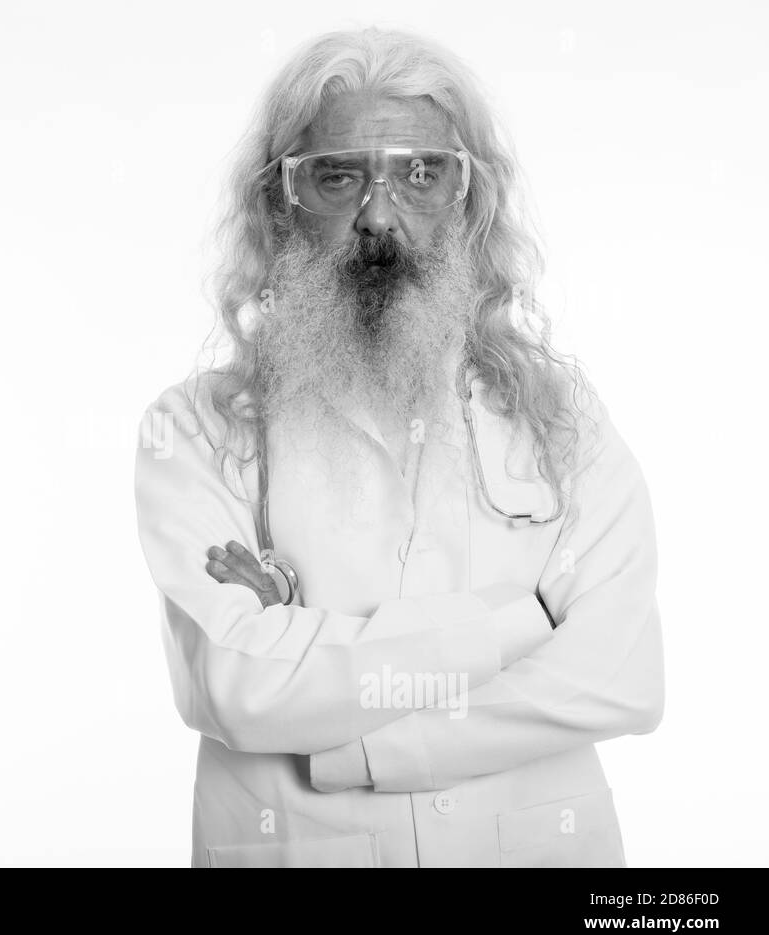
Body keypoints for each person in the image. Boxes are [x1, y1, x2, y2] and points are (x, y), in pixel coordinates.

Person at [132, 26, 664, 868]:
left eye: (421, 174)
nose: (378, 216)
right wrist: (518, 627)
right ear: (280, 202)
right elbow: (237, 688)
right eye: (338, 175)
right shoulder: (199, 429)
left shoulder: (560, 417)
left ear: (468, 198)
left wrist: (338, 704)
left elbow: (620, 678)